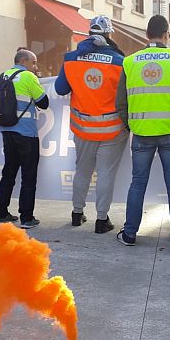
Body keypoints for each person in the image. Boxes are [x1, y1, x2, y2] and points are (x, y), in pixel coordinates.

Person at [115, 14, 170, 252]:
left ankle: (130, 234)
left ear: (146, 35)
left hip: (141, 132)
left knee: (137, 183)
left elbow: (120, 102)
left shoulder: (130, 62)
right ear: (167, 35)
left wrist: (130, 124)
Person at [55, 15, 127, 233]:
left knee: (82, 171)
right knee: (105, 174)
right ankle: (102, 220)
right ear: (109, 34)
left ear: (89, 33)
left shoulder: (71, 58)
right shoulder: (120, 62)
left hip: (83, 127)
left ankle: (77, 214)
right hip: (112, 129)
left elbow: (60, 89)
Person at [0, 49, 49, 228]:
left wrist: (0, 119)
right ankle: (26, 217)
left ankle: (0, 213)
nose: (35, 67)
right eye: (33, 62)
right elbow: (44, 103)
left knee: (8, 173)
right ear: (24, 61)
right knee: (28, 175)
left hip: (7, 131)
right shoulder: (28, 77)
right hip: (26, 133)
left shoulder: (0, 77)